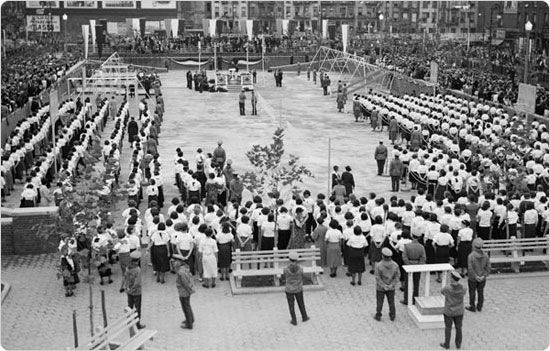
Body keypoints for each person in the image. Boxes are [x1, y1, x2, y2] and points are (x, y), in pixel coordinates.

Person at [440, 271, 466, 350]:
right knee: (459, 328)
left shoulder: (447, 288)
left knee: (448, 328)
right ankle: (458, 344)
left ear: (452, 279)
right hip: (459, 310)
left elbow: (442, 292)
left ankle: (446, 344)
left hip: (449, 311)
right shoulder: (463, 288)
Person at [284, 251, 310, 326]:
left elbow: (284, 276)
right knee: (301, 303)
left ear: (289, 259)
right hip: (298, 288)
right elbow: (302, 275)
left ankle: (294, 320)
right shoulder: (300, 269)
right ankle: (304, 317)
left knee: (291, 305)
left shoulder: (286, 269)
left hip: (289, 289)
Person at [374, 247, 399, 321]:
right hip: (391, 287)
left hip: (380, 288)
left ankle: (378, 315)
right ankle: (392, 315)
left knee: (379, 302)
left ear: (382, 256)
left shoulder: (378, 265)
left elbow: (377, 277)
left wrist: (383, 285)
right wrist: (391, 285)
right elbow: (397, 276)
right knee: (391, 302)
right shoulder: (395, 265)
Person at [401, 231, 426, 305]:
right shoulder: (421, 247)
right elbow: (423, 258)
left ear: (412, 236)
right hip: (417, 266)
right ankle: (415, 299)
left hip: (408, 265)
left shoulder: (407, 246)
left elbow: (404, 256)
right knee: (416, 283)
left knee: (407, 283)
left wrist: (408, 264)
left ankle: (406, 299)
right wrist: (419, 265)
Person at [466, 238, 490, 313]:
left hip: (473, 278)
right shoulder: (486, 255)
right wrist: (484, 275)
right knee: (481, 291)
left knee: (472, 291)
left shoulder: (471, 256)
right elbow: (488, 267)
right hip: (482, 277)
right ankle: (480, 306)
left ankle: (472, 306)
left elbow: (470, 268)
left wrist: (475, 276)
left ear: (473, 245)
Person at [173, 254, 195, 330]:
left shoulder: (181, 272)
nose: (174, 263)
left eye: (176, 261)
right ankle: (190, 319)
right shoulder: (183, 268)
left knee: (185, 307)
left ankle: (189, 324)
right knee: (187, 306)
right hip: (184, 291)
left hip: (184, 291)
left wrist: (189, 290)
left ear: (180, 262)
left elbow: (185, 282)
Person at [125, 250, 146, 329]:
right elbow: (138, 282)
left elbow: (125, 277)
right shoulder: (137, 269)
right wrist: (133, 288)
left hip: (129, 290)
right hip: (136, 292)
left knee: (129, 307)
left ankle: (129, 322)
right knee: (137, 308)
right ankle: (137, 324)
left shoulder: (128, 267)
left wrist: (127, 287)